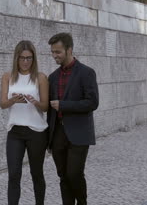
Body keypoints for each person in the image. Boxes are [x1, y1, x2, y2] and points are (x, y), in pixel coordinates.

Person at [47, 33, 99, 205]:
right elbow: (49, 110)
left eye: (58, 52)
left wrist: (64, 105)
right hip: (58, 134)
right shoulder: (52, 77)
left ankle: (82, 203)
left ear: (69, 49)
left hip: (79, 133)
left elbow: (92, 103)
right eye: (53, 52)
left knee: (74, 174)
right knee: (63, 176)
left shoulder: (87, 73)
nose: (55, 55)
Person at [0, 40, 49, 205]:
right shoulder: (8, 77)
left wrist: (34, 101)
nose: (26, 62)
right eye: (22, 58)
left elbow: (45, 107)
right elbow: (2, 104)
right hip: (15, 132)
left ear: (34, 58)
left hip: (36, 132)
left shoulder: (40, 77)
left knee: (36, 173)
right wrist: (13, 100)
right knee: (14, 174)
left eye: (29, 58)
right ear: (16, 58)